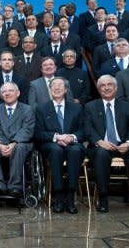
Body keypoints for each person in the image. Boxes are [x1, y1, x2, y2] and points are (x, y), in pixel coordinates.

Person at [84, 75, 129, 214]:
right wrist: (100, 142)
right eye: (103, 85)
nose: (106, 88)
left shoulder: (128, 106)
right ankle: (103, 199)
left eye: (110, 85)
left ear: (116, 88)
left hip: (124, 144)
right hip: (101, 145)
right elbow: (87, 129)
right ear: (98, 88)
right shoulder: (90, 106)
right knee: (101, 155)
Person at [35, 77, 85, 214]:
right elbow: (38, 133)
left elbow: (83, 130)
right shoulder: (41, 109)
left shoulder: (77, 107)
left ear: (66, 90)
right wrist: (56, 137)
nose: (57, 88)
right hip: (51, 144)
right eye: (53, 86)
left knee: (75, 151)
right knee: (56, 151)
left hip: (72, 143)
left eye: (60, 86)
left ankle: (70, 196)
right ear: (50, 90)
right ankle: (57, 196)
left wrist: (71, 137)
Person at [0, 82, 35, 198]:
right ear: (1, 95)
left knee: (19, 147)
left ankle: (15, 186)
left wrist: (14, 143)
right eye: (4, 91)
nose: (7, 93)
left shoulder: (27, 109)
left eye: (10, 91)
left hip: (21, 144)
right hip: (1, 143)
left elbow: (27, 130)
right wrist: (0, 144)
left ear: (18, 93)